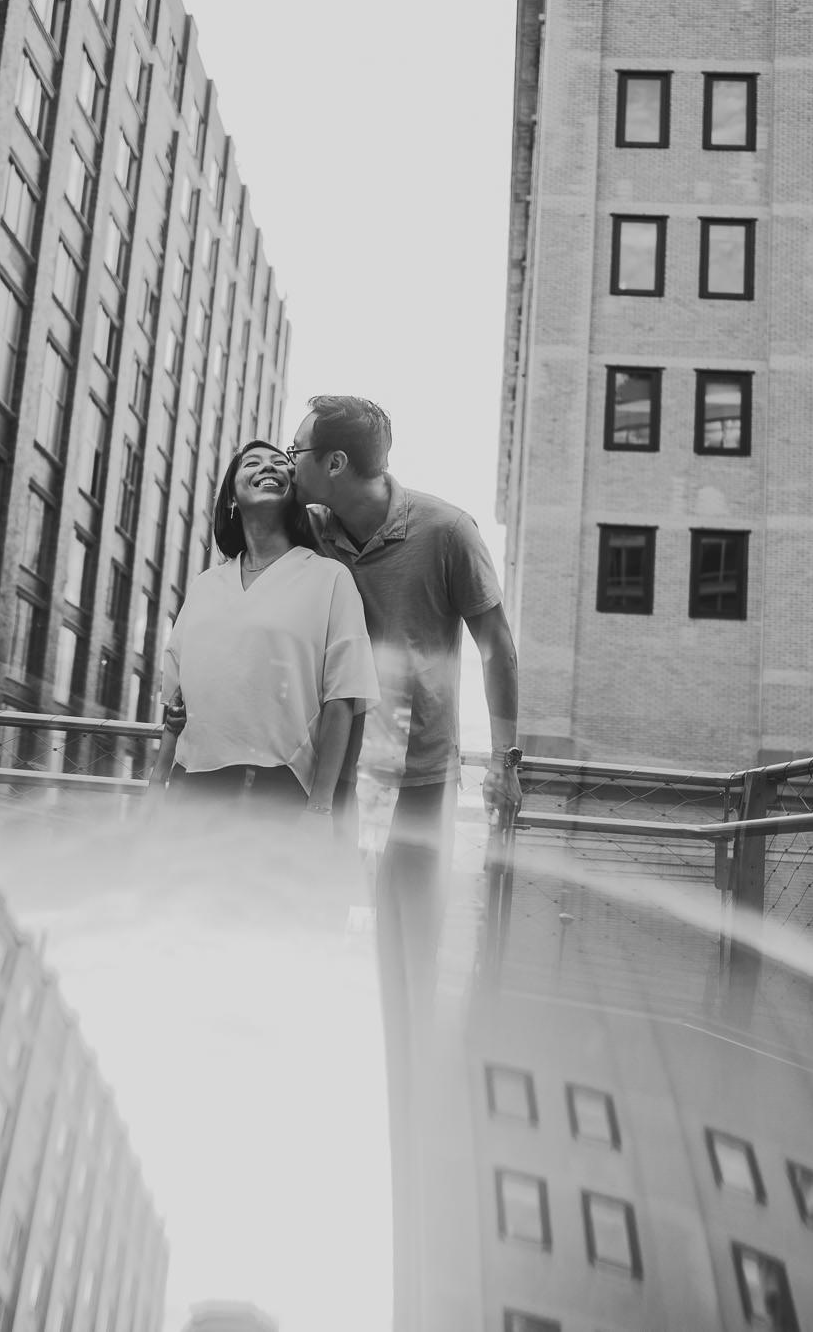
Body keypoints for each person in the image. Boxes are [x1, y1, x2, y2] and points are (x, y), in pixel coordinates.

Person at [285, 393, 521, 1329]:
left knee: (407, 958)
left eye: (303, 450)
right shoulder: (314, 528)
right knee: (312, 937)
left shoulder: (448, 533)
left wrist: (507, 759)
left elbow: (497, 643)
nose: (295, 459)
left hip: (421, 782)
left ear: (337, 467)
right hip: (337, 779)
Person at [152, 439, 378, 823]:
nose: (268, 467)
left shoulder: (329, 578)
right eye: (252, 463)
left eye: (279, 463)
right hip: (191, 787)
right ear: (232, 499)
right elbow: (177, 706)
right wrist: (157, 786)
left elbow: (343, 699)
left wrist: (322, 805)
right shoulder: (207, 585)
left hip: (279, 792)